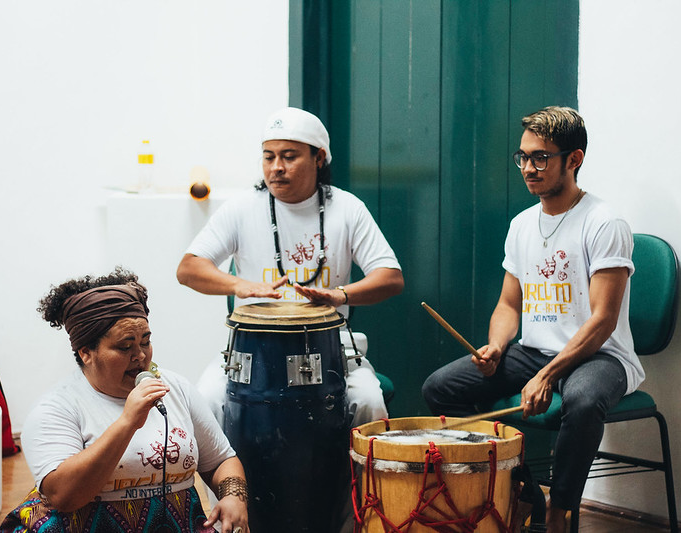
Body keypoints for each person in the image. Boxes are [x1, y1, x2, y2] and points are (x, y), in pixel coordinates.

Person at [421, 106, 645, 533]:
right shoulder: (522, 224)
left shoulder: (604, 222)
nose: (528, 168)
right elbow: (509, 306)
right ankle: (521, 487)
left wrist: (547, 375)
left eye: (540, 157)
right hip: (534, 351)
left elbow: (603, 320)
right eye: (522, 157)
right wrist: (496, 346)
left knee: (582, 401)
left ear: (574, 159)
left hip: (600, 356)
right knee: (440, 388)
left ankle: (560, 511)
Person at [176, 107, 404, 428]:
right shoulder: (241, 208)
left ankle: (358, 465)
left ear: (318, 157)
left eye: (289, 156)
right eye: (268, 157)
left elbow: (390, 278)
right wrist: (239, 285)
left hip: (329, 346)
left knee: (368, 400)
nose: (276, 167)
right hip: (253, 349)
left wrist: (339, 295)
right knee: (208, 399)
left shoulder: (348, 208)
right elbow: (188, 269)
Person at [0, 268, 249, 533]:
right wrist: (128, 422)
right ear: (86, 353)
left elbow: (221, 460)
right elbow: (63, 496)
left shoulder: (176, 389)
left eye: (146, 342)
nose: (140, 355)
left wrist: (234, 496)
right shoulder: (56, 408)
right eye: (125, 346)